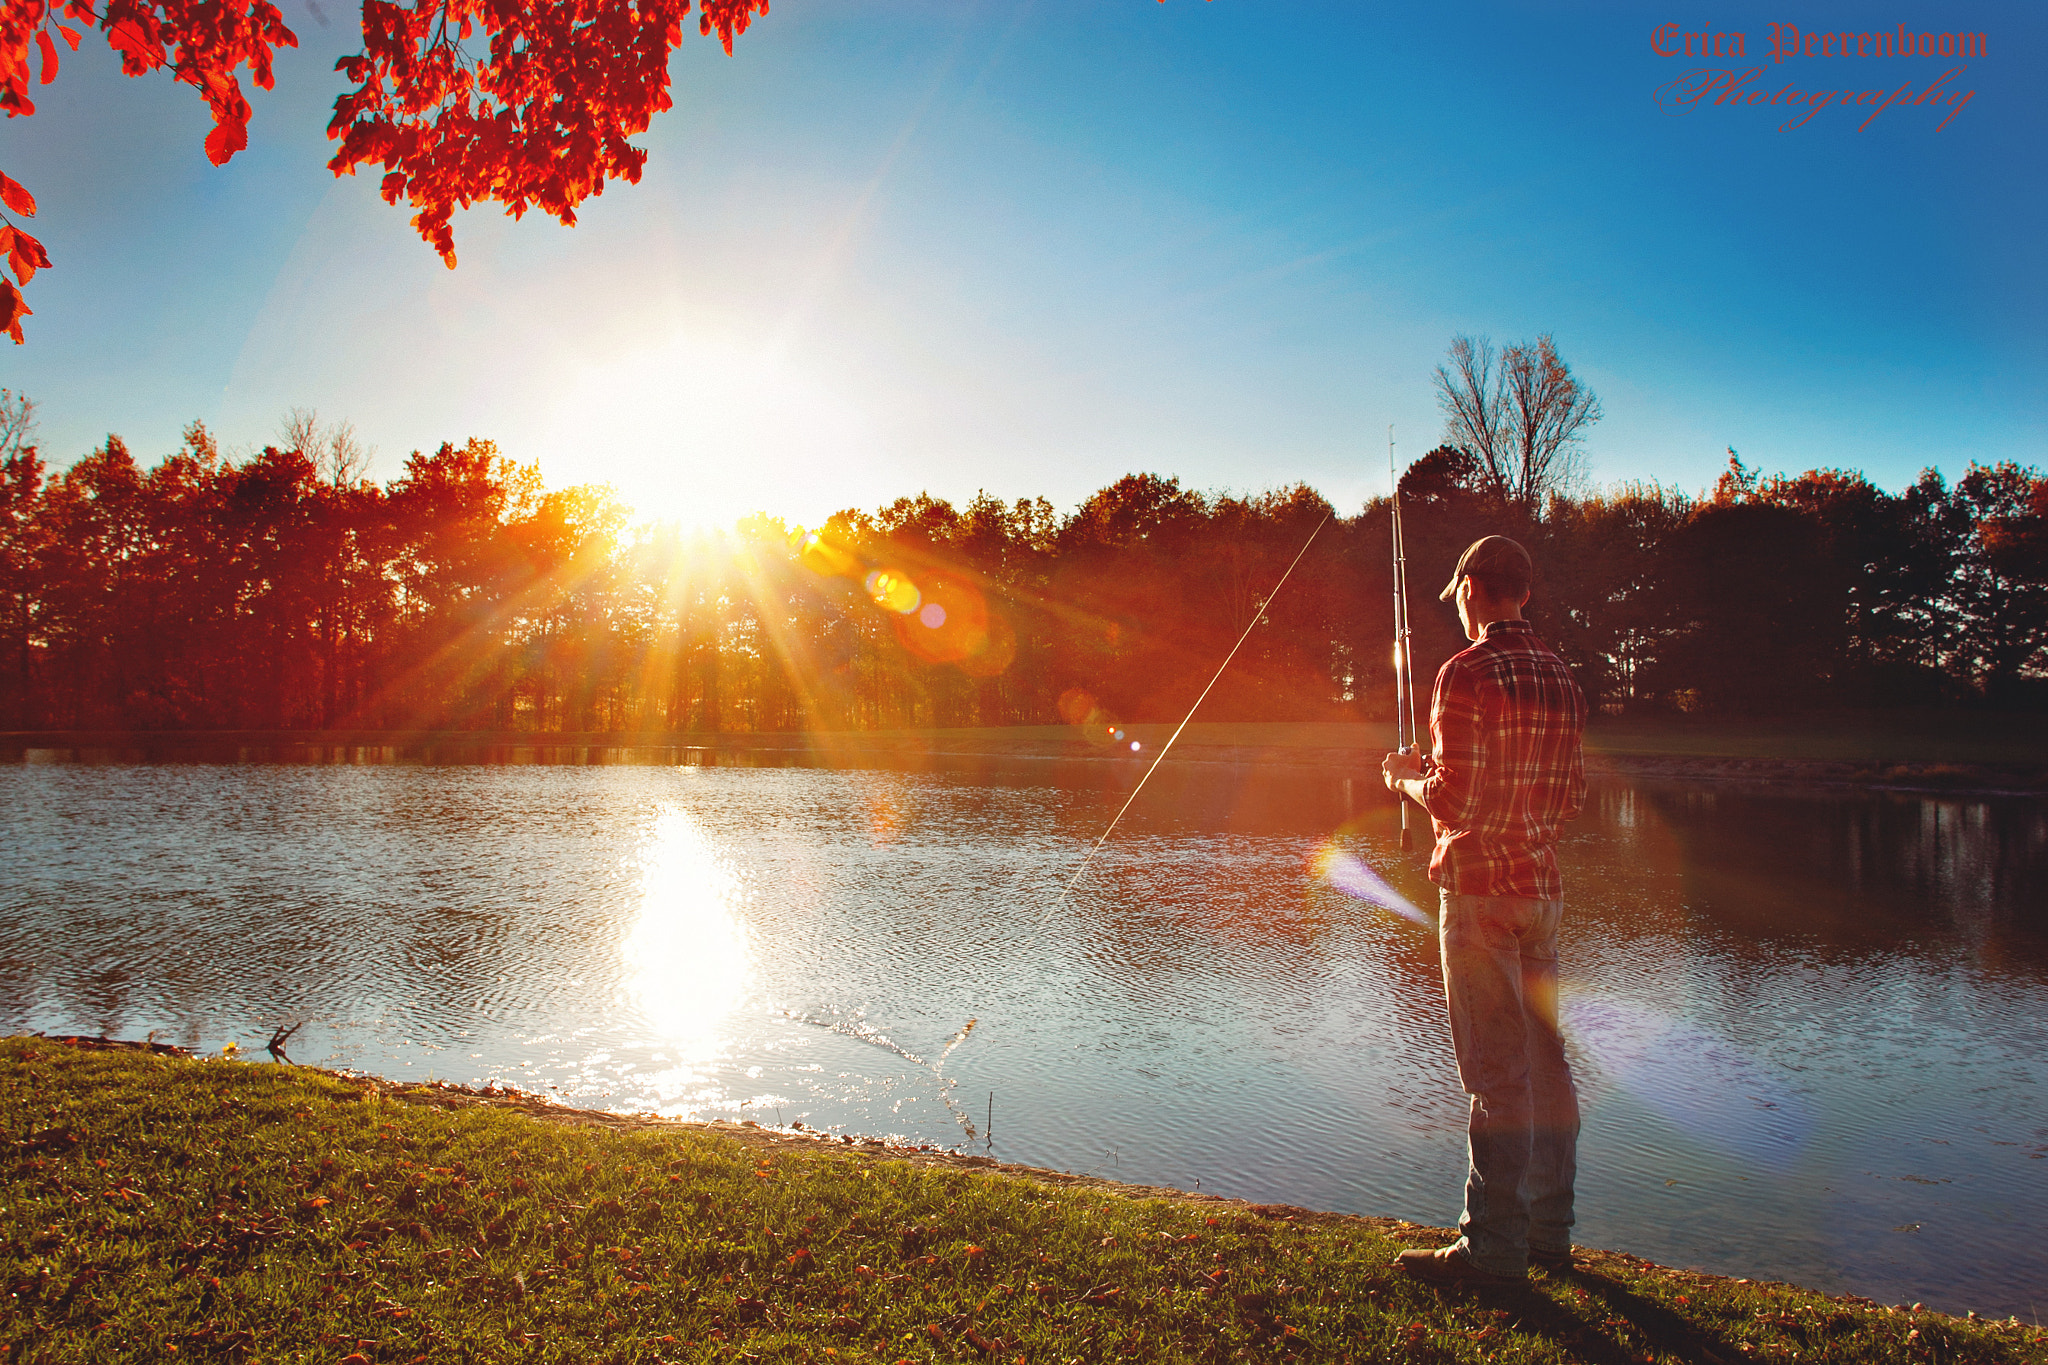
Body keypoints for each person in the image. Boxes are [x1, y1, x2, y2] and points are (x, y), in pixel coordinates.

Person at [1380, 534, 1588, 1287]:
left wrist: (1405, 778)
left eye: (1459, 593)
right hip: (1542, 894)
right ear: (1523, 592)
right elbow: (1571, 796)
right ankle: (1550, 1235)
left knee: (1497, 1073)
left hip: (1477, 895)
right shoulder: (1564, 678)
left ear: (1471, 587)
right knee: (1548, 1064)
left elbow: (1456, 798)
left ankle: (1492, 1249)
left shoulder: (1462, 672)